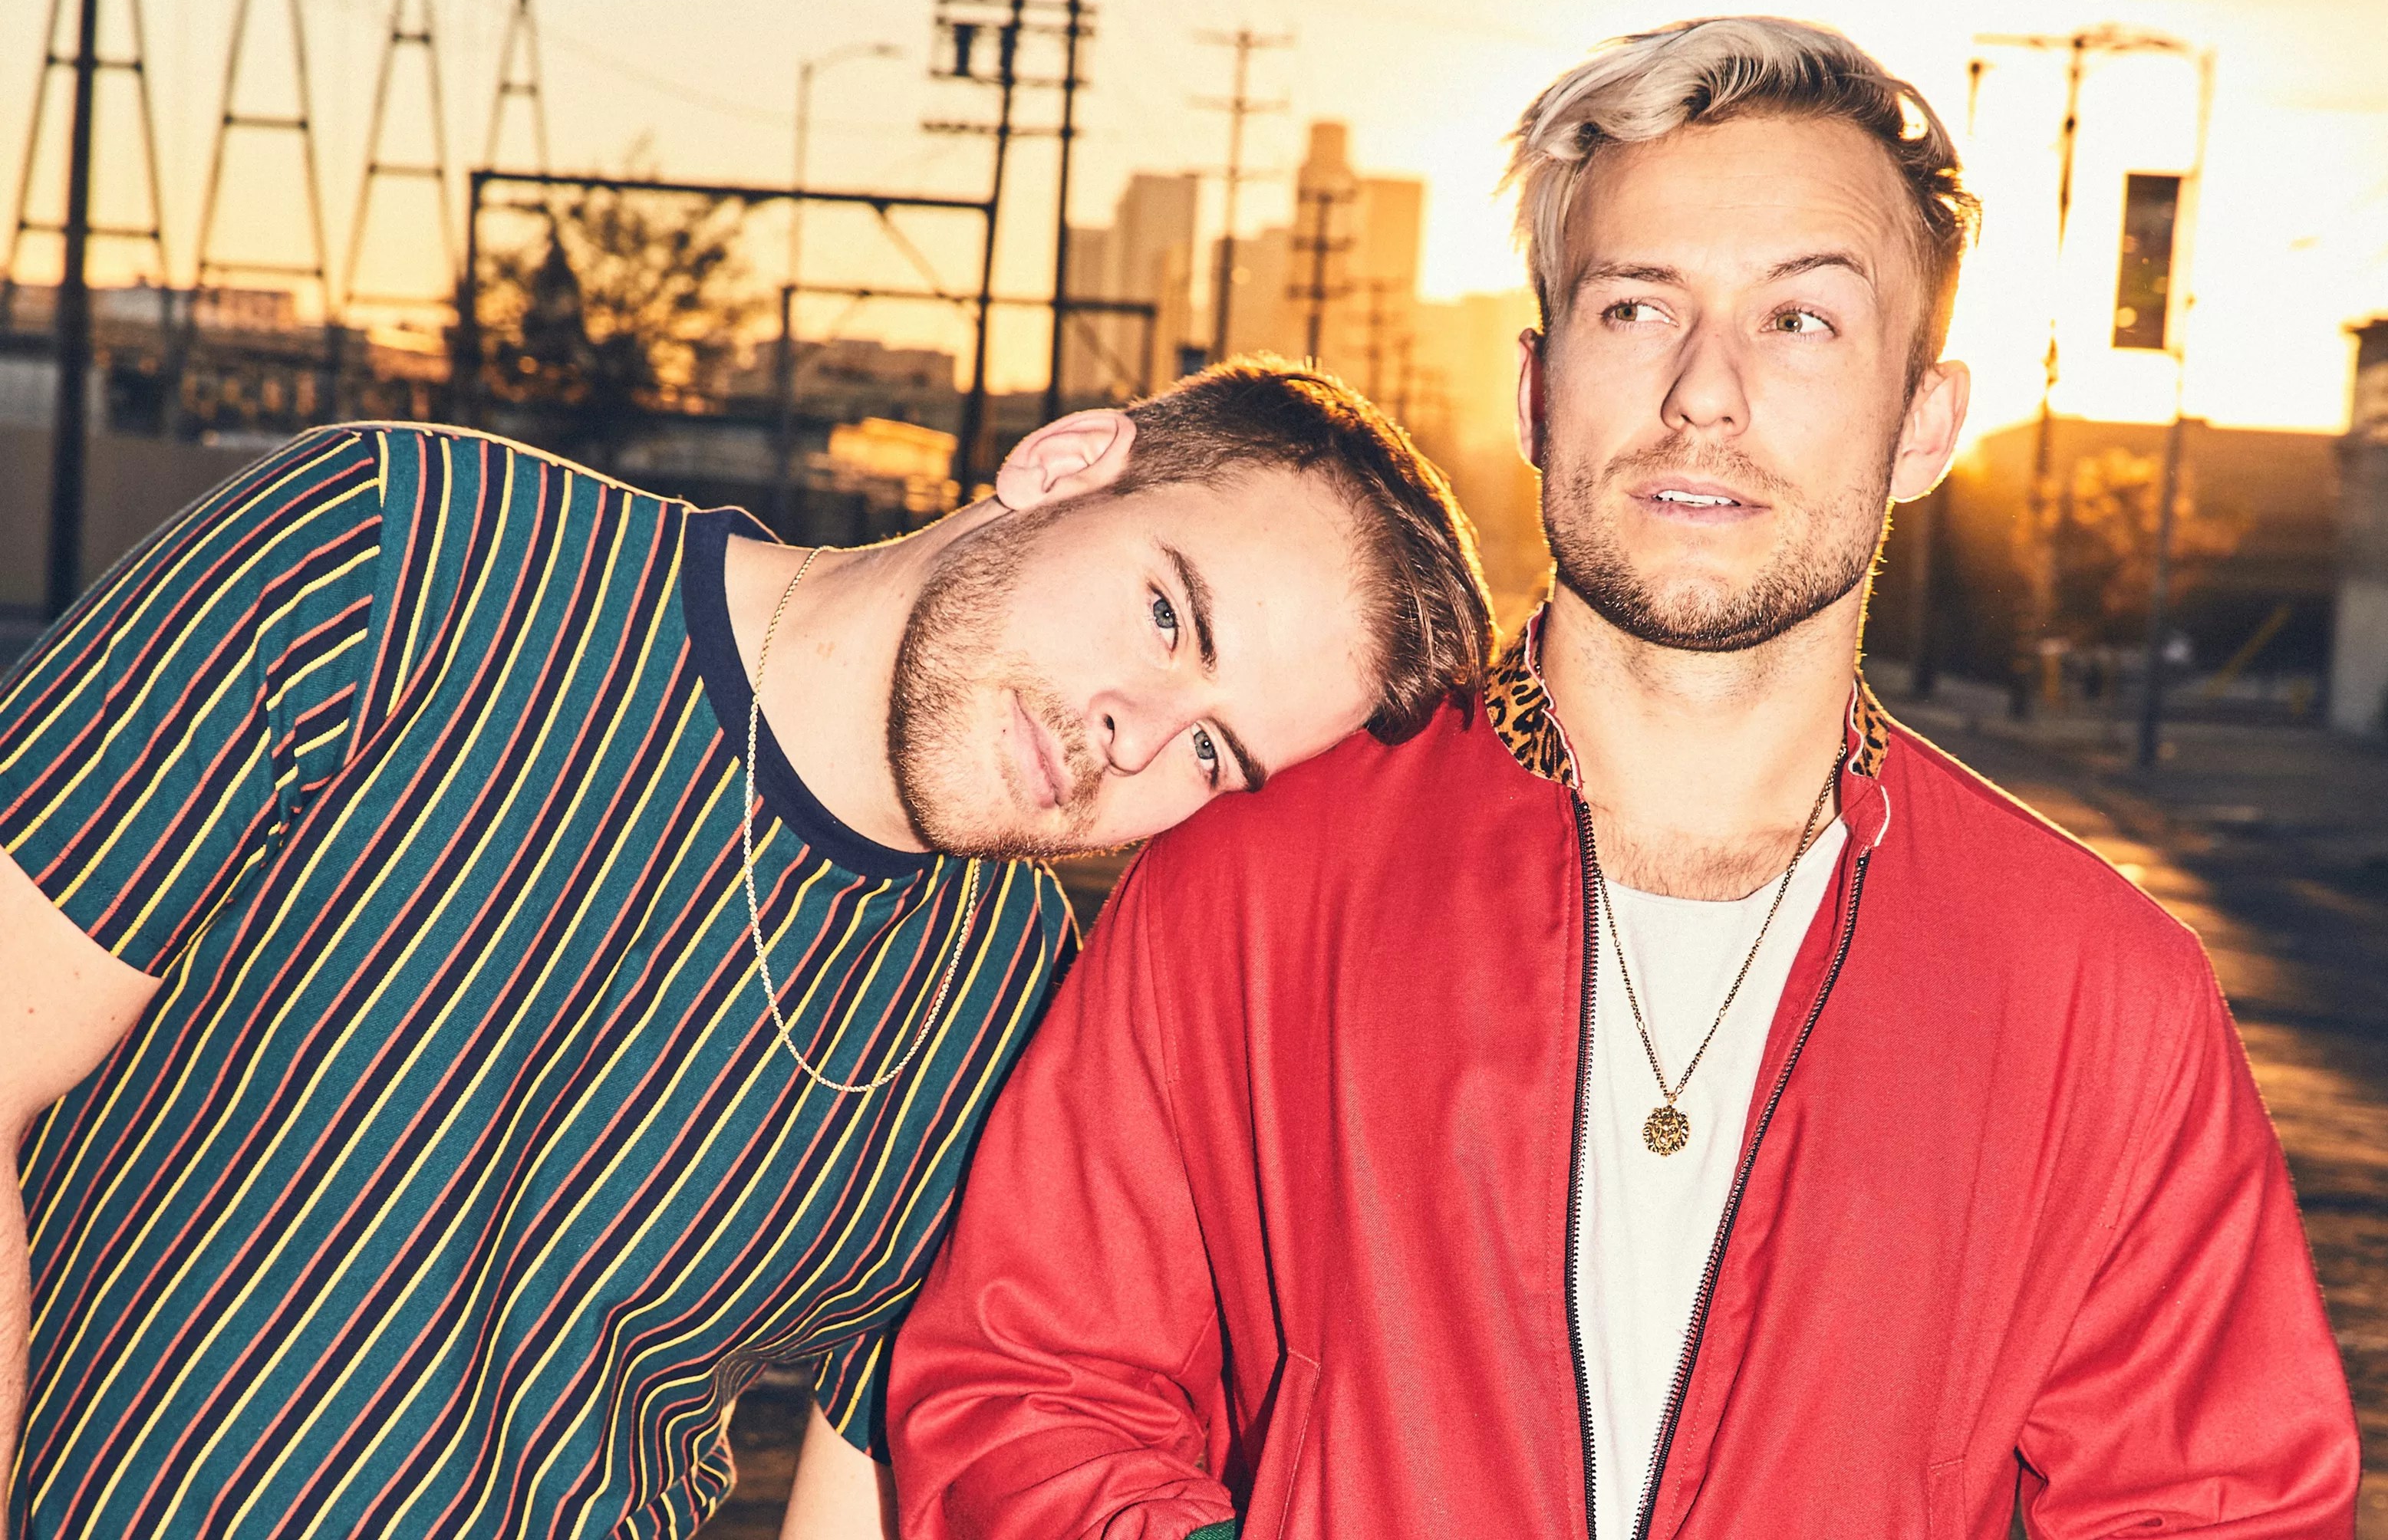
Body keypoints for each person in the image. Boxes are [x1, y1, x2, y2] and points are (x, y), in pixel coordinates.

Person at [889, 18, 2361, 1538]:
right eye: (1637, 307)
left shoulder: (2101, 992)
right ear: (1536, 392)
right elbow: (1031, 1388)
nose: (1704, 392)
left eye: (1801, 320)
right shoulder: (1253, 883)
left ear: (1924, 424)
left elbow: (2217, 1507)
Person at [0, 360, 1490, 1540]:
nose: (1138, 735)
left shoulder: (1018, 1012)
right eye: (1167, 615)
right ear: (1062, 465)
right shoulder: (402, 557)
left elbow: (865, 1487)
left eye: (1217, 753)